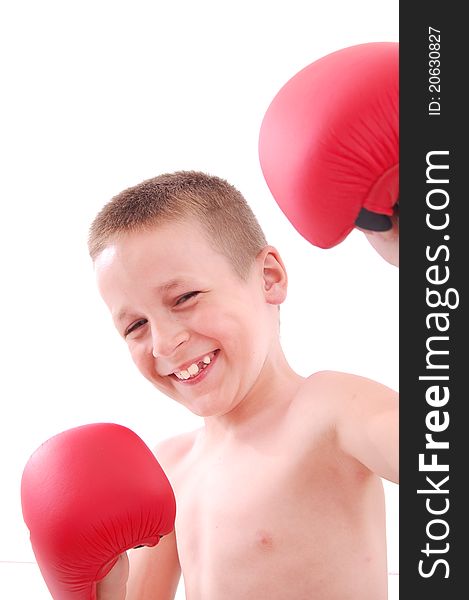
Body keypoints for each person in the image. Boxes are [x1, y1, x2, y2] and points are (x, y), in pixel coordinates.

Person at [89, 170, 398, 600]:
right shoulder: (168, 468)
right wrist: (94, 578)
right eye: (136, 325)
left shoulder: (330, 408)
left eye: (184, 298)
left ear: (268, 278)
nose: (164, 342)